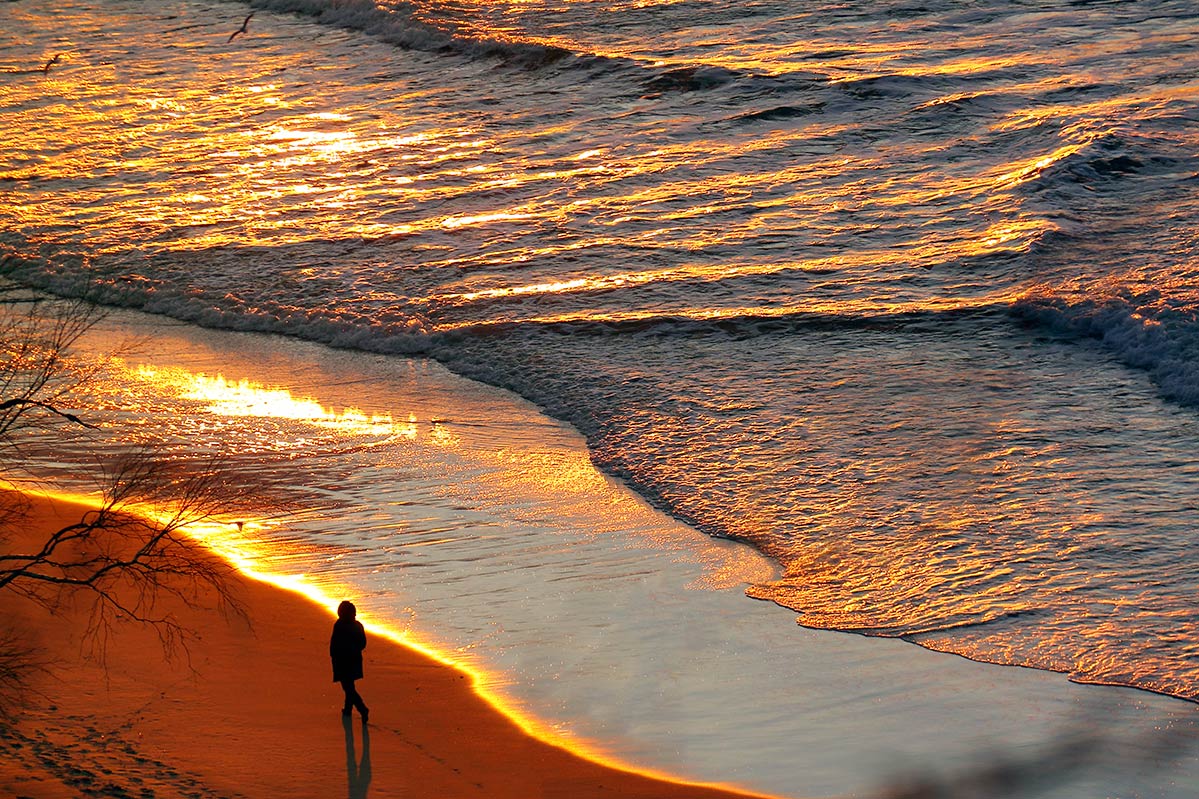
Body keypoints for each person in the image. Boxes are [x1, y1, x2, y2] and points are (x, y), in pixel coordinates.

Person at [330, 600, 369, 722]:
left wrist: (334, 656)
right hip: (354, 661)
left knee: (348, 688)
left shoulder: (339, 625)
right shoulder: (357, 625)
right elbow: (363, 644)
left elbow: (334, 644)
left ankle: (362, 708)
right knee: (349, 686)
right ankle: (347, 710)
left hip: (342, 661)